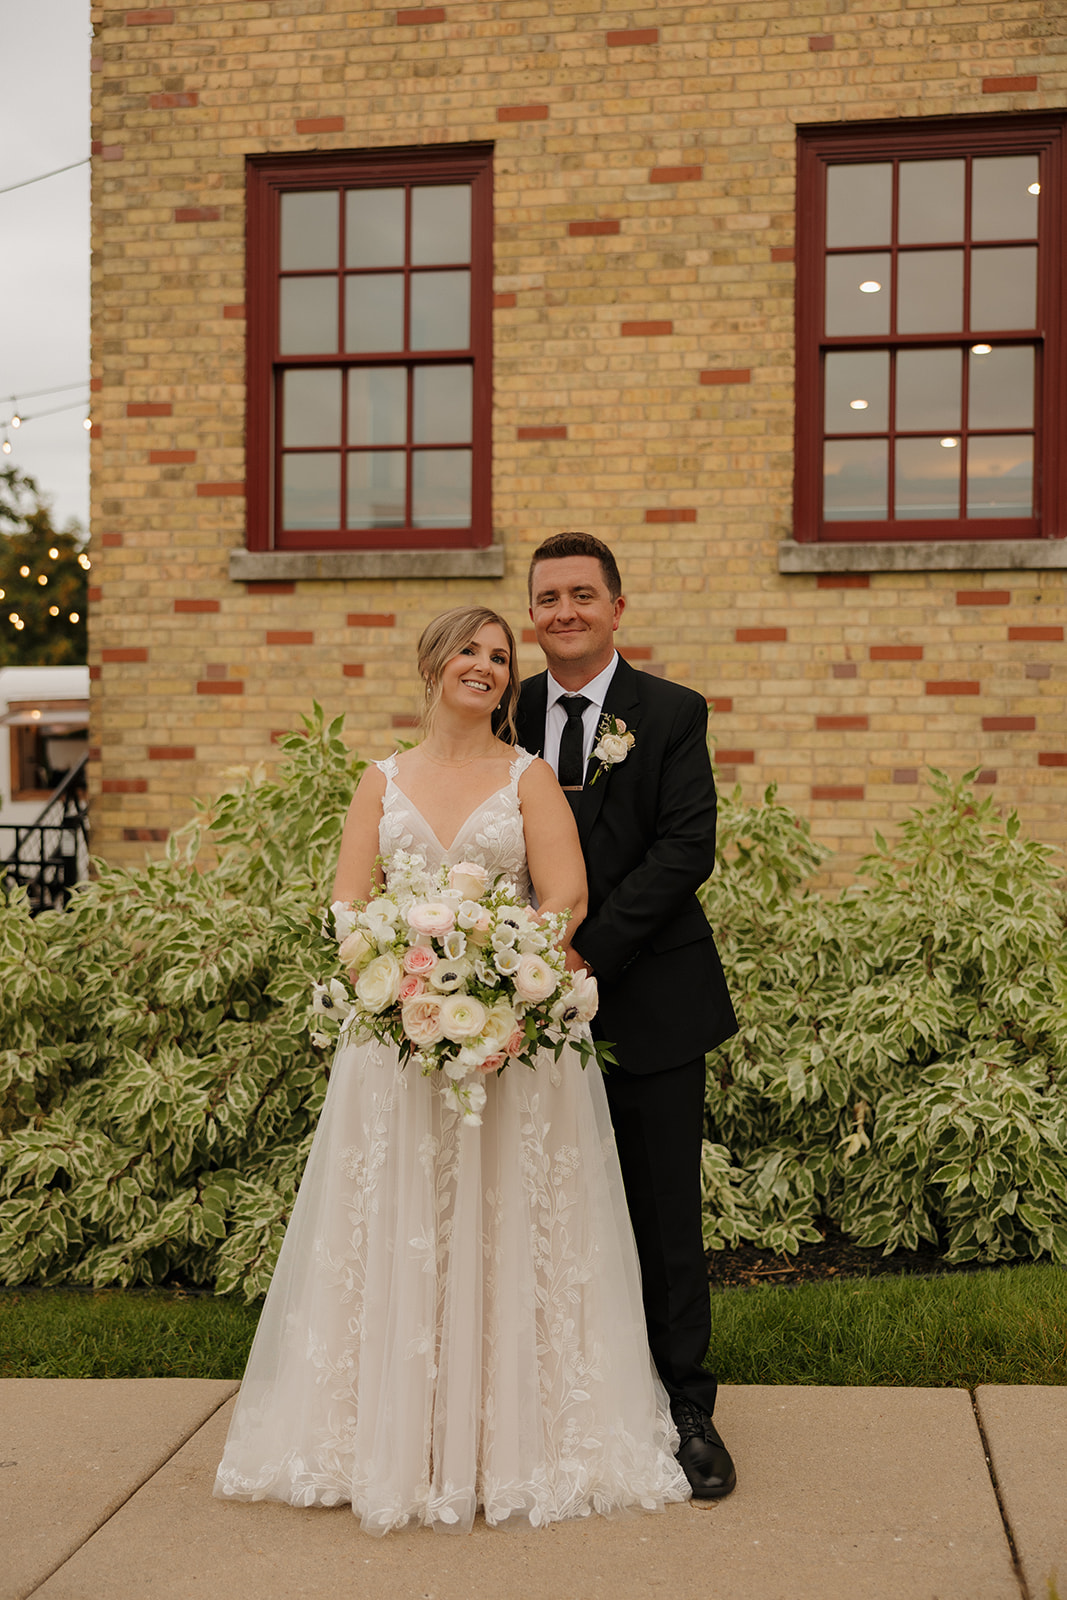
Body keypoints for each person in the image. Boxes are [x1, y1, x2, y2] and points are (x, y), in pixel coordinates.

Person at [213, 604, 689, 1533]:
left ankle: (513, 1441)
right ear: (432, 664)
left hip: (512, 1051)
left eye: (499, 657)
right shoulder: (378, 781)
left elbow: (564, 898)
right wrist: (398, 995)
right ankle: (391, 1436)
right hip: (398, 1048)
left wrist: (507, 988)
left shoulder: (529, 778)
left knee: (509, 1225)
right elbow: (352, 909)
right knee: (402, 1227)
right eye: (468, 651)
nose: (485, 666)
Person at [517, 533, 740, 1500]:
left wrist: (582, 951)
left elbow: (686, 849)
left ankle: (686, 1406)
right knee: (546, 1212)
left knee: (661, 1216)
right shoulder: (510, 706)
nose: (563, 612)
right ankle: (566, 1399)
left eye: (581, 595)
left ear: (616, 608)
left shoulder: (672, 713)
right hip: (525, 1013)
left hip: (649, 1000)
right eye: (546, 599)